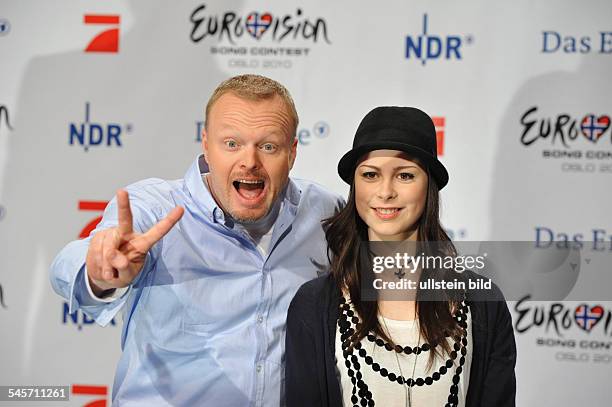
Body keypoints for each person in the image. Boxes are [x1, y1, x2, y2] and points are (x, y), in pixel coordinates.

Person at [50, 74, 342, 406]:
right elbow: (70, 266)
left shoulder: (325, 212)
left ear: (291, 153)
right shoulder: (156, 208)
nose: (249, 161)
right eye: (231, 144)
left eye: (268, 146)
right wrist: (98, 273)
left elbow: (388, 271)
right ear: (206, 144)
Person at [285, 107, 516, 406]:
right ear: (355, 187)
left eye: (405, 175)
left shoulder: (484, 304)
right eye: (370, 175)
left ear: (429, 186)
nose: (385, 191)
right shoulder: (314, 304)